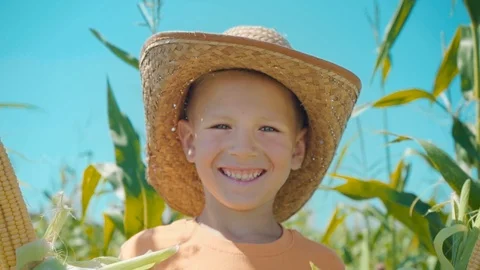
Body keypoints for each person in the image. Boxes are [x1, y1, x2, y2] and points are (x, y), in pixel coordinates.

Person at [119, 25, 361, 269]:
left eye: (268, 129)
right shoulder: (146, 254)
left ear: (297, 149)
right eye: (222, 126)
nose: (243, 149)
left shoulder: (321, 263)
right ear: (190, 141)